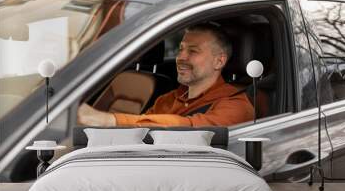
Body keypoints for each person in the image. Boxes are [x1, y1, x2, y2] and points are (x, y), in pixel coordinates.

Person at [77, 23, 254, 127]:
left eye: (193, 51)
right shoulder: (167, 99)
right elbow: (140, 129)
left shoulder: (236, 104)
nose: (181, 57)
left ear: (219, 61)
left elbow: (192, 128)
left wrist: (109, 120)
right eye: (181, 49)